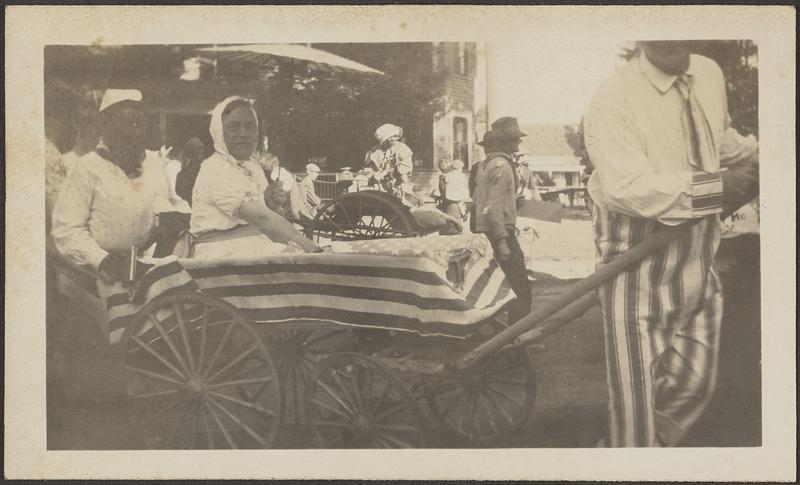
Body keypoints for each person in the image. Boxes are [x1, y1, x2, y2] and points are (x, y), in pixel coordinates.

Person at [584, 40, 759, 447]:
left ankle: (622, 458)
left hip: (698, 264)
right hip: (634, 276)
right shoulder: (614, 98)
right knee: (634, 424)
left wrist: (761, 153)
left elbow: (720, 137)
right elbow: (626, 188)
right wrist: (716, 189)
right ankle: (630, 455)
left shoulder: (709, 74)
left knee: (695, 386)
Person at [51, 89, 188, 283]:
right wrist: (101, 260)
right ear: (106, 128)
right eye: (124, 124)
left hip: (139, 268)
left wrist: (176, 216)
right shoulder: (88, 167)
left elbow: (166, 203)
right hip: (92, 274)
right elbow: (67, 230)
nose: (133, 133)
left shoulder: (153, 164)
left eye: (138, 124)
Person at [189, 96, 320, 259]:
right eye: (233, 127)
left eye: (250, 127)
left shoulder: (253, 166)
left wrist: (273, 206)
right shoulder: (214, 168)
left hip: (254, 246)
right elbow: (261, 218)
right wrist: (313, 249)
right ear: (219, 132)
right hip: (220, 253)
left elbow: (270, 218)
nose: (243, 134)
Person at [471, 117, 531, 324]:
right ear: (505, 142)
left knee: (495, 285)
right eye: (514, 140)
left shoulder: (485, 164)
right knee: (521, 290)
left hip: (487, 230)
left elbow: (485, 200)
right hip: (500, 232)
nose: (518, 143)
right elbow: (493, 206)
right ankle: (516, 343)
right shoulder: (503, 166)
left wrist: (512, 202)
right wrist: (503, 240)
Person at [373, 123, 414, 199]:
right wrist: (382, 173)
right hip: (393, 168)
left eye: (394, 136)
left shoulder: (401, 148)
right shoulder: (388, 149)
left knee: (402, 173)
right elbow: (387, 165)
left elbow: (399, 164)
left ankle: (406, 187)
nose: (392, 139)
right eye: (389, 138)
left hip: (401, 163)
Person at [174, 137, 206, 205]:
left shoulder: (207, 170)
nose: (201, 151)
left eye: (201, 148)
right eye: (196, 149)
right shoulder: (182, 175)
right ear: (190, 152)